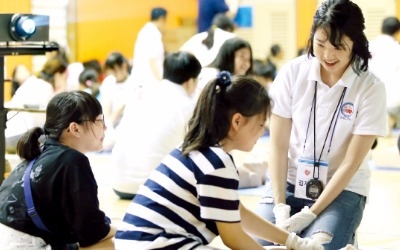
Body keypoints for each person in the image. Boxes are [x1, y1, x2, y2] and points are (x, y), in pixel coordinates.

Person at [114, 71, 323, 250]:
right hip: (154, 244)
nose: (262, 131)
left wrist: (293, 241)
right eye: (260, 124)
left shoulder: (199, 150)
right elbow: (232, 237)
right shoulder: (217, 163)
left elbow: (237, 213)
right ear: (237, 121)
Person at [254, 0, 387, 249]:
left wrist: (312, 213)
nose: (328, 54)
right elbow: (279, 145)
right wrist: (280, 204)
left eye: (338, 46)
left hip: (343, 189)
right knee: (258, 244)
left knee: (318, 245)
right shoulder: (292, 73)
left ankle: (341, 232)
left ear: (355, 43)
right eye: (320, 44)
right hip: (290, 181)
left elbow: (351, 162)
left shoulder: (370, 88)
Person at [0, 91, 116, 249]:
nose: (105, 127)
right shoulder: (72, 160)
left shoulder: (42, 150)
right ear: (75, 129)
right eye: (100, 120)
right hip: (23, 245)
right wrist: (123, 229)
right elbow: (93, 232)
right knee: (113, 243)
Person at [111, 51, 202, 199]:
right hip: (155, 188)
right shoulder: (187, 106)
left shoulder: (140, 94)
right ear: (191, 81)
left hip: (119, 185)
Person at [5, 54, 68, 154]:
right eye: (64, 78)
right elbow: (45, 124)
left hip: (8, 137)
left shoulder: (34, 82)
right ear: (58, 75)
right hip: (19, 138)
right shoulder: (45, 87)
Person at [369, 16, 400, 136]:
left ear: (381, 28)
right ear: (397, 31)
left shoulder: (369, 47)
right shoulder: (398, 49)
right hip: (396, 103)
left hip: (374, 103)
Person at [99, 51, 135, 151]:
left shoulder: (133, 83)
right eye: (111, 71)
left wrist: (109, 127)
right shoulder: (109, 81)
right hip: (108, 122)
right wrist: (107, 126)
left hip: (125, 124)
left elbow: (120, 109)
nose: (113, 74)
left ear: (124, 66)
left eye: (115, 71)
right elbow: (106, 106)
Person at [131, 7, 167, 87]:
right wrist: (162, 81)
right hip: (149, 83)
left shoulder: (145, 31)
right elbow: (152, 61)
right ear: (162, 19)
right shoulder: (153, 34)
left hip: (141, 81)